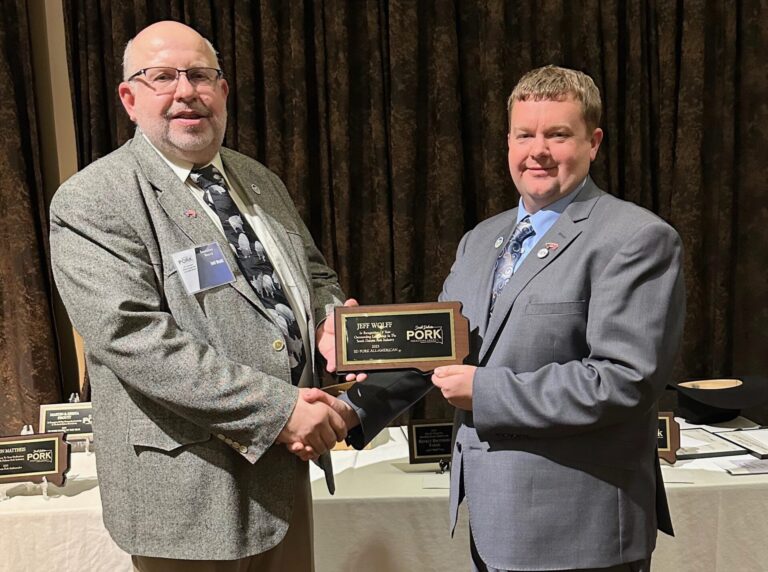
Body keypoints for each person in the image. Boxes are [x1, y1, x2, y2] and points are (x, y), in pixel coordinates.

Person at [306, 65, 685, 572]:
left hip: (580, 530)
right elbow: (434, 348)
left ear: (593, 143)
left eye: (558, 135)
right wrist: (348, 408)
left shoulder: (635, 238)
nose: (537, 151)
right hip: (494, 522)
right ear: (507, 142)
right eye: (524, 134)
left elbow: (624, 381)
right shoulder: (482, 239)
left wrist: (485, 391)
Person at [50, 20, 353, 572]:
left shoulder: (259, 180)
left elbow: (314, 275)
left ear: (223, 91)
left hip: (284, 469)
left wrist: (333, 323)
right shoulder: (93, 199)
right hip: (188, 492)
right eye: (162, 77)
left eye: (200, 75)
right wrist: (279, 409)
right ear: (129, 99)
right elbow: (135, 339)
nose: (186, 91)